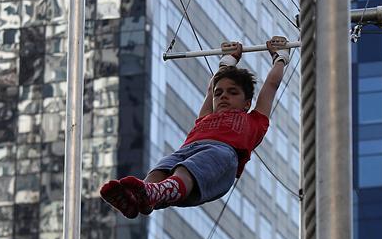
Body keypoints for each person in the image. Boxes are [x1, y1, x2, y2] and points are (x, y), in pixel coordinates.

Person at [100, 37, 289, 218]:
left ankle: (154, 192)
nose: (223, 96)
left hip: (220, 158)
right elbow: (211, 88)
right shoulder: (207, 116)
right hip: (186, 151)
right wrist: (228, 60)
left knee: (186, 168)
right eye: (219, 93)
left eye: (232, 93)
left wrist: (280, 57)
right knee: (163, 167)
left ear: (247, 103)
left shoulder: (254, 121)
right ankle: (140, 198)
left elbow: (271, 86)